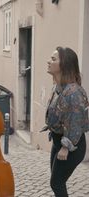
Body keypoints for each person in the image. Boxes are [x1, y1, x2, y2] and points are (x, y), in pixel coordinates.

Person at [43, 47, 88, 197]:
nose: (49, 61)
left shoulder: (74, 92)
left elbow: (76, 122)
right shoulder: (58, 87)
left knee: (56, 183)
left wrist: (66, 147)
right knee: (56, 182)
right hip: (58, 141)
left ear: (65, 65)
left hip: (71, 146)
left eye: (54, 59)